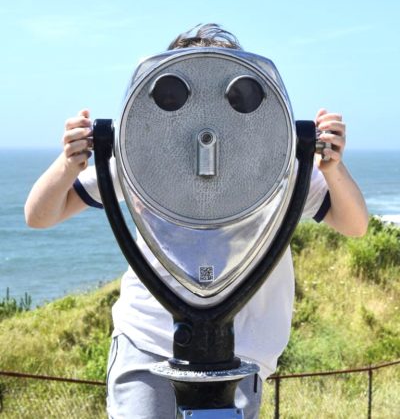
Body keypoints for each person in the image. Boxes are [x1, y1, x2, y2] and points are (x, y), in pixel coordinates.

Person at [25, 24, 369, 418]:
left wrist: (330, 164)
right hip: (149, 336)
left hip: (245, 350)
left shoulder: (276, 165)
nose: (208, 124)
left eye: (235, 97)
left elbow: (354, 224)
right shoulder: (144, 157)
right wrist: (70, 162)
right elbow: (39, 215)